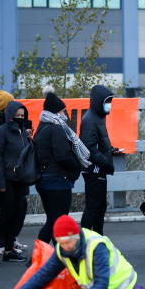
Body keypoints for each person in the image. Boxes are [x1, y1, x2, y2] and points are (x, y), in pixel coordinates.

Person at [10, 215, 145, 289]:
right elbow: (42, 276)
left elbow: (101, 284)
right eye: (61, 243)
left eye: (68, 241)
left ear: (77, 236)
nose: (66, 247)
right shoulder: (62, 250)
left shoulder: (95, 246)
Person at [34, 92, 89, 244]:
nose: (65, 113)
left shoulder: (42, 127)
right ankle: (52, 256)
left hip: (44, 180)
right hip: (57, 181)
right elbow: (62, 155)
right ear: (56, 111)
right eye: (63, 110)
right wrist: (77, 166)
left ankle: (48, 255)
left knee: (53, 220)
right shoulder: (57, 129)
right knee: (58, 221)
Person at [0, 100, 32, 262]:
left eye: (22, 115)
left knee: (18, 213)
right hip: (6, 179)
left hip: (19, 180)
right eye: (17, 116)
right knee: (6, 214)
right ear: (10, 116)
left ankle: (8, 249)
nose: (20, 118)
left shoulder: (23, 133)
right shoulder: (1, 132)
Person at [80, 84, 121, 234]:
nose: (109, 105)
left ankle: (98, 238)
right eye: (107, 101)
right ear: (98, 101)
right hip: (94, 169)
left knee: (99, 206)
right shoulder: (90, 119)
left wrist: (109, 150)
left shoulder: (97, 118)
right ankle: (84, 241)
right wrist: (105, 161)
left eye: (110, 102)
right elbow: (89, 149)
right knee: (93, 207)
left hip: (98, 168)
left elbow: (98, 143)